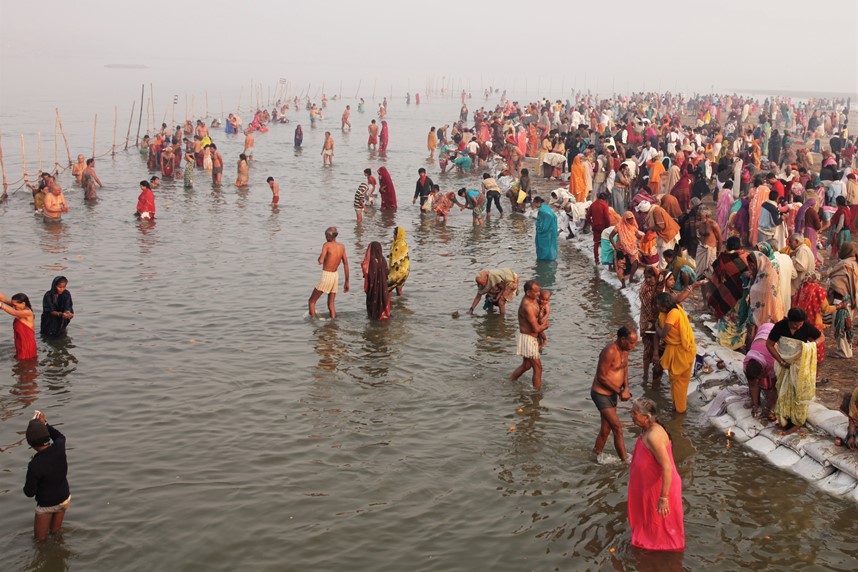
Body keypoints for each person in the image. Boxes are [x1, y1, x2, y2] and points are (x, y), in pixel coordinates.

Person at [627, 397, 685, 551]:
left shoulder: (654, 436)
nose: (631, 416)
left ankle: (665, 560)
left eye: (634, 413)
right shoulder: (646, 429)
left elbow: (667, 467)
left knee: (662, 532)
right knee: (651, 526)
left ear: (646, 417)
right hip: (649, 487)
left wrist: (663, 497)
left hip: (660, 488)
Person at [766, 308, 824, 432]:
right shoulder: (780, 326)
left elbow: (821, 337)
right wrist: (781, 361)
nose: (797, 326)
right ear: (789, 320)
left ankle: (797, 420)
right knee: (783, 390)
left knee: (799, 391)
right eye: (794, 324)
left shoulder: (807, 327)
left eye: (800, 323)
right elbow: (769, 344)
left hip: (799, 366)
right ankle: (785, 416)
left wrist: (812, 345)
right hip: (783, 364)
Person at [591, 327, 638, 462]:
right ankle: (625, 461)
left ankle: (595, 455)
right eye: (631, 343)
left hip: (612, 395)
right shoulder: (610, 351)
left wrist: (626, 388)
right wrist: (619, 392)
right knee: (617, 428)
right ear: (622, 339)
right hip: (601, 394)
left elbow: (625, 369)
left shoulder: (625, 351)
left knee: (606, 430)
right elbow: (601, 377)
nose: (633, 347)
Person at [24, 411, 71, 541]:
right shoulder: (59, 447)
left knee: (40, 541)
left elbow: (29, 492)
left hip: (46, 505)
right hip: (64, 499)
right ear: (46, 436)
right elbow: (60, 436)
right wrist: (45, 423)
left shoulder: (35, 465)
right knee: (56, 533)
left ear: (30, 443)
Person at [655, 292, 696, 413]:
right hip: (677, 350)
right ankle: (676, 407)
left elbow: (663, 334)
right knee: (675, 381)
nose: (657, 306)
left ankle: (680, 410)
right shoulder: (668, 312)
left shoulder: (673, 313)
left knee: (680, 383)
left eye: (658, 304)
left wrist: (656, 327)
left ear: (664, 305)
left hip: (682, 351)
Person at [509, 280, 548, 390]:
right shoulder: (527, 306)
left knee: (526, 365)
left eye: (539, 291)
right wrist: (545, 326)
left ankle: (510, 380)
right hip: (528, 339)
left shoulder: (533, 300)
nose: (538, 294)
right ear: (528, 292)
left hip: (531, 338)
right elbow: (536, 328)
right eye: (536, 292)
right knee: (538, 368)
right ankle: (537, 393)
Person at [308, 227, 349, 319]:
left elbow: (321, 261)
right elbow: (346, 264)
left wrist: (320, 257)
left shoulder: (326, 245)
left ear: (329, 236)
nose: (325, 237)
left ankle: (313, 323)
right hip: (335, 276)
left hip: (327, 275)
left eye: (326, 235)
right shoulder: (342, 246)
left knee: (311, 301)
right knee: (331, 304)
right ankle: (333, 323)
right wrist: (347, 282)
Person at [743, 322, 778, 418]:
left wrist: (770, 406)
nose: (757, 381)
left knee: (771, 385)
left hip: (773, 332)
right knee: (755, 384)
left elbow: (775, 387)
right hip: (762, 333)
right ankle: (756, 402)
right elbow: (753, 385)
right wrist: (755, 405)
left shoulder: (771, 363)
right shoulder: (747, 363)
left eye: (758, 378)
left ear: (762, 371)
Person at [0, 291, 37, 359]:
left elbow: (14, 312)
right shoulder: (18, 307)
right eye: (12, 305)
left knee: (25, 364)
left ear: (23, 303)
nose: (13, 307)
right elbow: (4, 299)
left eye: (15, 305)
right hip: (20, 342)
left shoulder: (28, 313)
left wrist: (1, 305)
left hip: (26, 345)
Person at [361, 242, 390, 321]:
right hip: (383, 288)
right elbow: (387, 272)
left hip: (373, 289)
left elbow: (368, 274)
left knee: (373, 312)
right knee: (382, 305)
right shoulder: (382, 259)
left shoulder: (370, 262)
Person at [533, 196, 558, 261]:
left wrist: (542, 229)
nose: (534, 205)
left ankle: (545, 258)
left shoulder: (542, 210)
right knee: (550, 243)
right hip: (551, 229)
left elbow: (549, 217)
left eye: (535, 203)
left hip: (546, 230)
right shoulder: (544, 207)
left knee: (544, 244)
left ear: (538, 202)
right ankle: (550, 256)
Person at [388, 227, 410, 296]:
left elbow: (395, 260)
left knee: (388, 288)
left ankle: (388, 304)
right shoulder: (400, 243)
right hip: (405, 270)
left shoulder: (399, 244)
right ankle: (400, 304)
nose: (393, 236)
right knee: (399, 288)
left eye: (395, 234)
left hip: (399, 271)